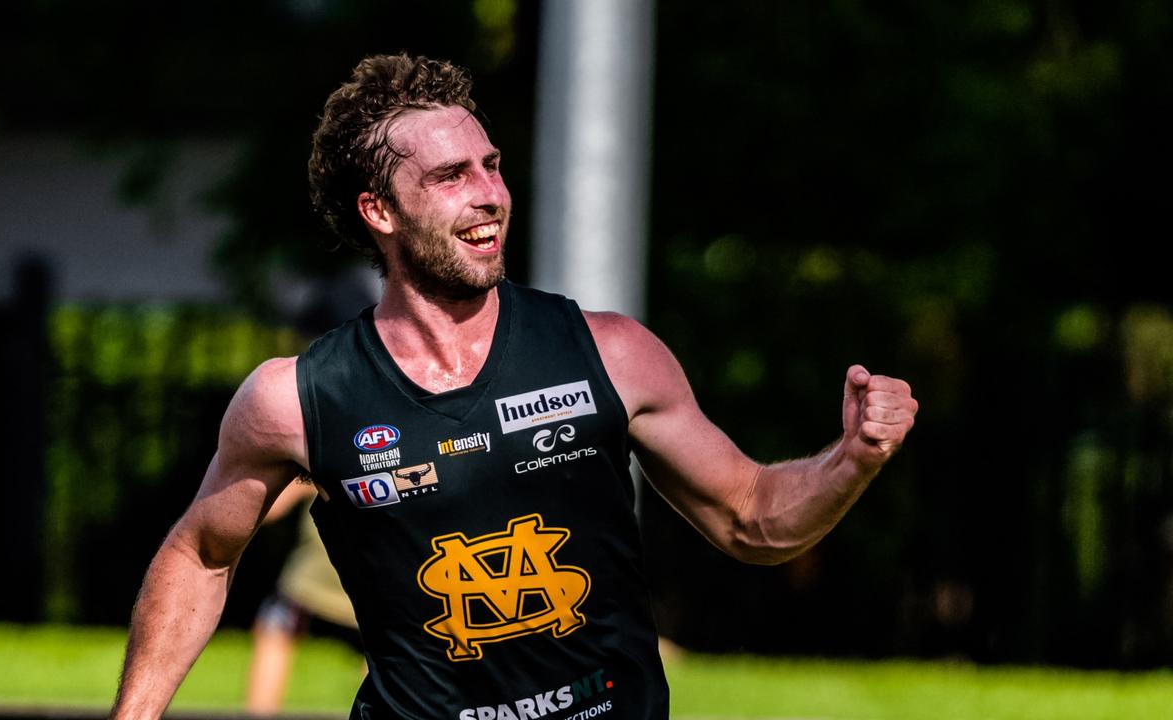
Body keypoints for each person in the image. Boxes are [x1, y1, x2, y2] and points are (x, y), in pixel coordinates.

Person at [110, 54, 918, 720]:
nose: (490, 193)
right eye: (451, 175)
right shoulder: (295, 398)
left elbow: (751, 520)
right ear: (378, 211)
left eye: (492, 166)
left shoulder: (610, 352)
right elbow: (202, 555)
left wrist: (852, 460)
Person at [245, 480, 363, 715]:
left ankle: (259, 712)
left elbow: (268, 509)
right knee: (386, 654)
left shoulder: (321, 456)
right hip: (370, 585)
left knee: (274, 629)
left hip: (313, 580)